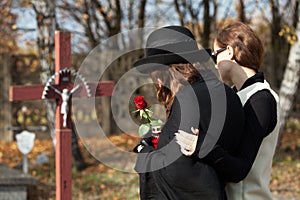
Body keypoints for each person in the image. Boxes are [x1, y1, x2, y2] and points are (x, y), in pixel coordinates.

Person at [133, 25, 245, 199]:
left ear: (163, 70)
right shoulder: (229, 93)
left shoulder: (187, 98)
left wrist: (145, 153)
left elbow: (178, 171)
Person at [176, 21, 280, 200]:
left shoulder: (261, 99)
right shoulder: (236, 95)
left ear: (230, 52)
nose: (215, 64)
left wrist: (202, 145)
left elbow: (239, 169)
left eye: (215, 54)